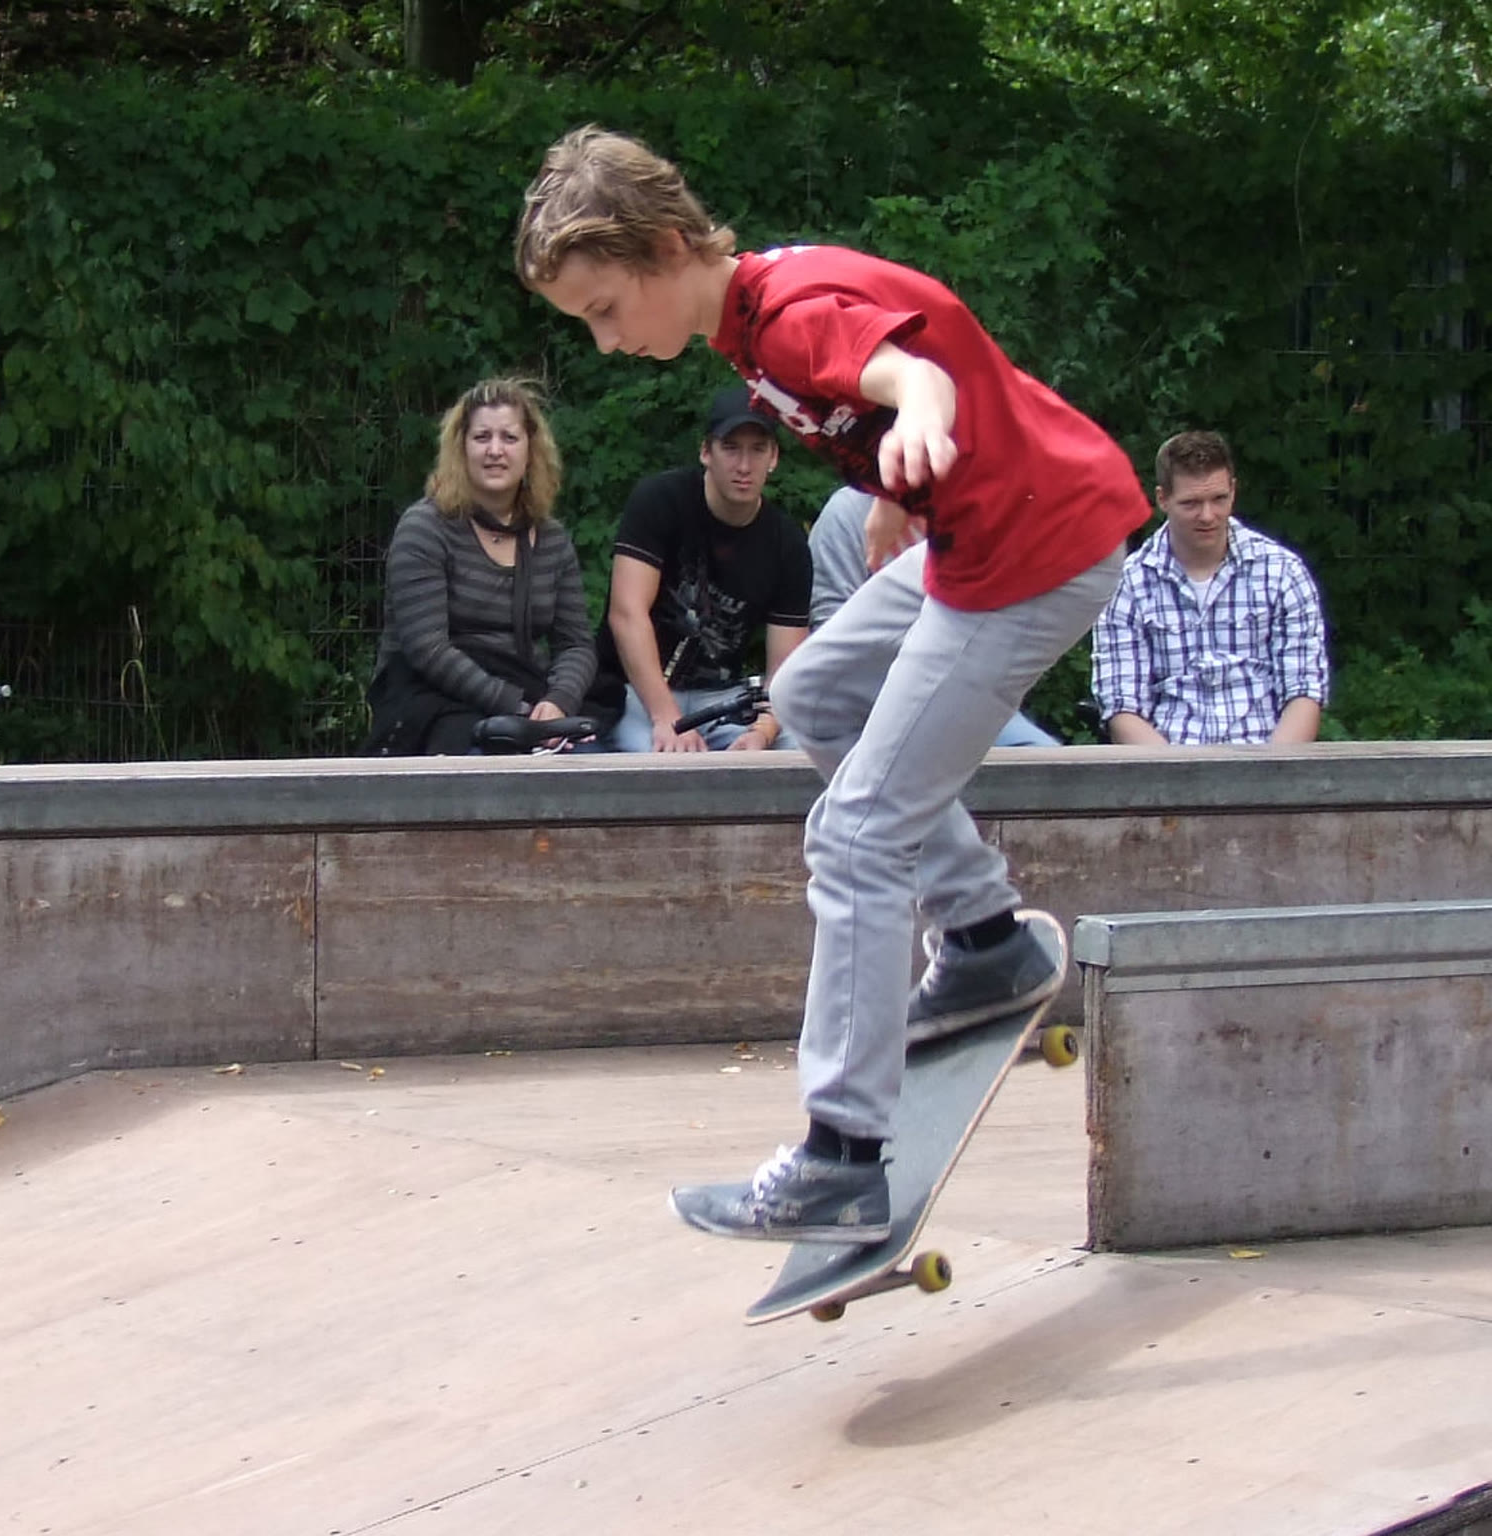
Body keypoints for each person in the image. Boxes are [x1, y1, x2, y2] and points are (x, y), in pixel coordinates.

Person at [515, 125, 1149, 1242]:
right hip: (982, 534)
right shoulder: (749, 314)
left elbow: (910, 371)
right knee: (809, 695)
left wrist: (921, 419)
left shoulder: (788, 316)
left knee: (856, 834)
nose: (605, 341)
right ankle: (984, 939)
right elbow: (912, 347)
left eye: (604, 309)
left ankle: (840, 1157)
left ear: (664, 247)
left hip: (1030, 552)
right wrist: (897, 484)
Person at [363, 377, 596, 755]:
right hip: (434, 702)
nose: (495, 450)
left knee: (592, 761)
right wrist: (518, 710)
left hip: (529, 696)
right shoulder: (424, 528)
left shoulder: (552, 539)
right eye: (482, 437)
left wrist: (557, 704)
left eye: (509, 437)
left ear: (531, 450)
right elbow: (428, 649)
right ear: (461, 448)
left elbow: (576, 644)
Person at [598, 385, 811, 752]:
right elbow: (626, 614)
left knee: (802, 749)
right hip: (638, 692)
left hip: (725, 699)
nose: (743, 466)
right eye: (730, 448)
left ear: (774, 457)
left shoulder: (788, 544)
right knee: (660, 761)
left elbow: (785, 668)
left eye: (757, 450)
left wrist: (762, 732)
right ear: (705, 452)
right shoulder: (659, 501)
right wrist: (666, 716)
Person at [1092, 430, 1329, 745]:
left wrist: (1272, 770)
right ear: (1162, 499)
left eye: (1219, 499)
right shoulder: (1128, 584)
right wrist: (1178, 773)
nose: (1207, 516)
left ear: (1233, 491)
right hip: (1165, 760)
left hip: (1266, 755)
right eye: (1191, 503)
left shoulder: (1283, 572)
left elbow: (1304, 692)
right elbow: (1122, 707)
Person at [812, 487, 1059, 746]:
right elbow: (831, 635)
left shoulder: (980, 509)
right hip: (865, 709)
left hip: (969, 705)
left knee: (1045, 758)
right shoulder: (849, 512)